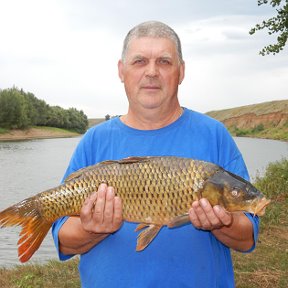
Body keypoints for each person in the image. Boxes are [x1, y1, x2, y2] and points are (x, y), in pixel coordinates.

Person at [52, 21, 259, 288]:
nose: (152, 72)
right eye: (139, 61)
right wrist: (90, 228)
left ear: (181, 71)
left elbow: (248, 238)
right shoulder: (94, 141)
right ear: (121, 70)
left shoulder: (214, 134)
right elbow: (64, 241)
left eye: (164, 61)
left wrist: (223, 223)